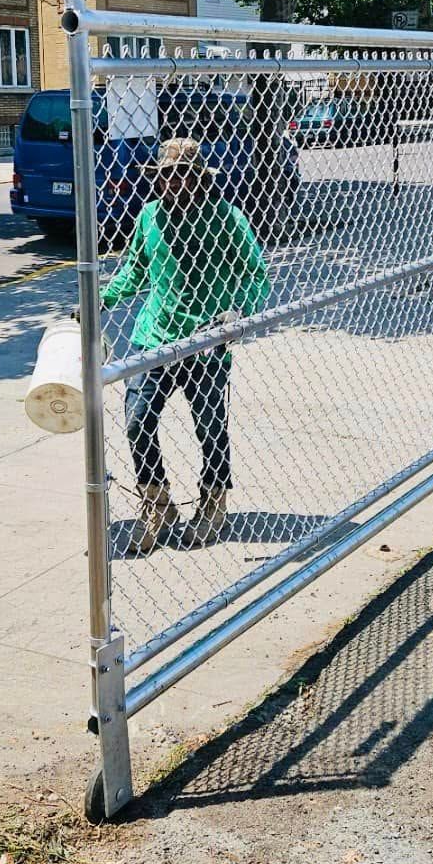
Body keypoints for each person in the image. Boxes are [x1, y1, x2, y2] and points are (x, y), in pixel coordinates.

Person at [102, 137, 270, 553]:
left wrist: (237, 312)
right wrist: (99, 299)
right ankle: (157, 503)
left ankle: (214, 503)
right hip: (153, 338)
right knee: (137, 423)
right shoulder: (149, 216)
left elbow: (256, 274)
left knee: (210, 429)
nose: (173, 182)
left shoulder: (226, 218)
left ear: (198, 177)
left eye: (181, 174)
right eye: (165, 176)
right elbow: (136, 269)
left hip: (206, 341)